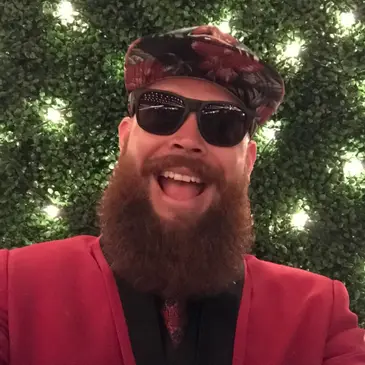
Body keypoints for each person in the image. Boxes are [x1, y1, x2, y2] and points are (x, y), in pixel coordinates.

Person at [0, 25, 364, 365]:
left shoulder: (320, 314)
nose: (188, 141)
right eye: (161, 111)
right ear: (125, 139)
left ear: (248, 161)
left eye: (223, 123)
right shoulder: (13, 288)